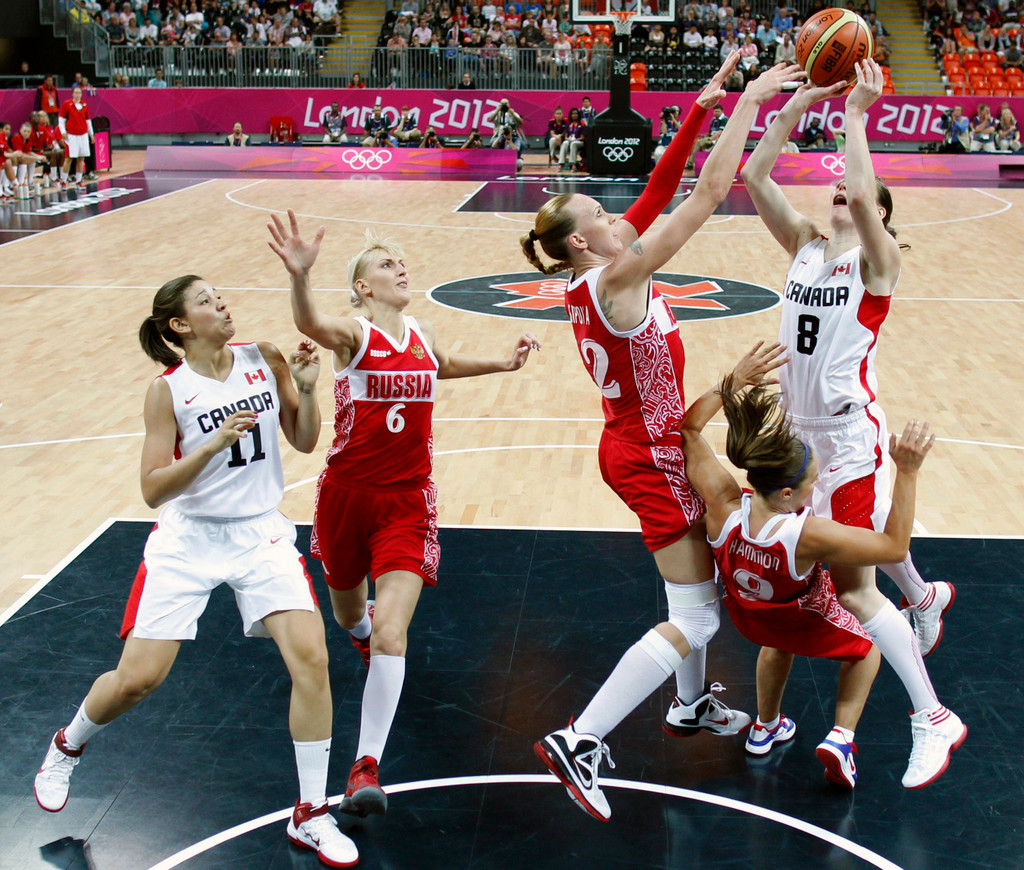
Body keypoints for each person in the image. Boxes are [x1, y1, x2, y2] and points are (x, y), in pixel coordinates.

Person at [521, 55, 807, 822]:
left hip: (646, 443)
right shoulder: (617, 279)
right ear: (585, 245)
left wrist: (699, 111)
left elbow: (655, 190)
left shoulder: (601, 269)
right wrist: (751, 99)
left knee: (699, 591)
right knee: (698, 615)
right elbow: (710, 192)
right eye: (601, 217)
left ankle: (688, 709)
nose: (619, 218)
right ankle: (580, 739)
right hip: (651, 452)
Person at [32, 277, 358, 868]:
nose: (222, 304)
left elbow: (305, 442)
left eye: (219, 296)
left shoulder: (266, 359)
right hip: (188, 542)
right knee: (138, 681)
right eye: (206, 301)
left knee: (312, 658)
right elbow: (153, 489)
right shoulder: (168, 391)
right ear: (180, 326)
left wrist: (308, 393)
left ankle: (311, 812)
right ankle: (68, 744)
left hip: (259, 532)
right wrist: (207, 446)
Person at [267, 209, 540, 820]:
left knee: (394, 631)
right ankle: (362, 634)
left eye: (400, 262)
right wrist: (299, 277)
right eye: (386, 265)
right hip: (345, 496)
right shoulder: (355, 335)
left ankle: (366, 767)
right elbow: (308, 320)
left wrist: (501, 362)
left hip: (409, 501)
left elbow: (440, 367)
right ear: (363, 287)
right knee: (349, 616)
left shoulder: (417, 328)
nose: (400, 269)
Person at [739, 60, 965, 788]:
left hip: (845, 437)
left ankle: (932, 717)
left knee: (857, 588)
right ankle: (925, 596)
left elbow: (865, 193)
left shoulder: (879, 260)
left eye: (855, 194)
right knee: (852, 556)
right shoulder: (806, 244)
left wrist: (857, 116)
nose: (841, 191)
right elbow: (755, 179)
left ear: (878, 219)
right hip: (795, 430)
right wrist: (793, 106)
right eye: (835, 187)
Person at [681, 375, 949, 788]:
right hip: (799, 617)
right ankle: (842, 738)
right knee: (867, 647)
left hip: (748, 618)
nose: (817, 488)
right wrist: (908, 471)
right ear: (787, 494)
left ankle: (765, 726)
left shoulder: (724, 504)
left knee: (776, 643)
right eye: (812, 483)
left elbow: (690, 429)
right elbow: (894, 547)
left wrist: (729, 383)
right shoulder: (807, 535)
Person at [58, 84, 94, 188]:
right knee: (69, 158)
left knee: (80, 158)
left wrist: (91, 134)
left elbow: (88, 121)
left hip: (83, 134)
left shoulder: (85, 105)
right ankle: (63, 181)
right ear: (72, 93)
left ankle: (79, 181)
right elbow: (61, 119)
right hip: (71, 135)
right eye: (76, 92)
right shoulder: (67, 104)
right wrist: (63, 131)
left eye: (79, 93)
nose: (78, 95)